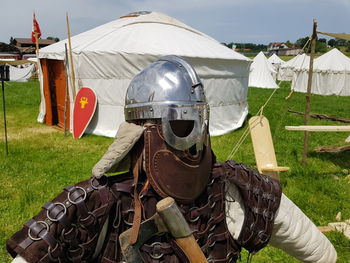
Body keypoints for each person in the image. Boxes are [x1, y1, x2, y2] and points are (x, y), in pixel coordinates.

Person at [7, 55, 337, 263]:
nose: (190, 140)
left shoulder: (238, 189)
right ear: (142, 130)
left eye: (196, 123)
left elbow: (321, 253)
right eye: (180, 124)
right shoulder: (95, 204)